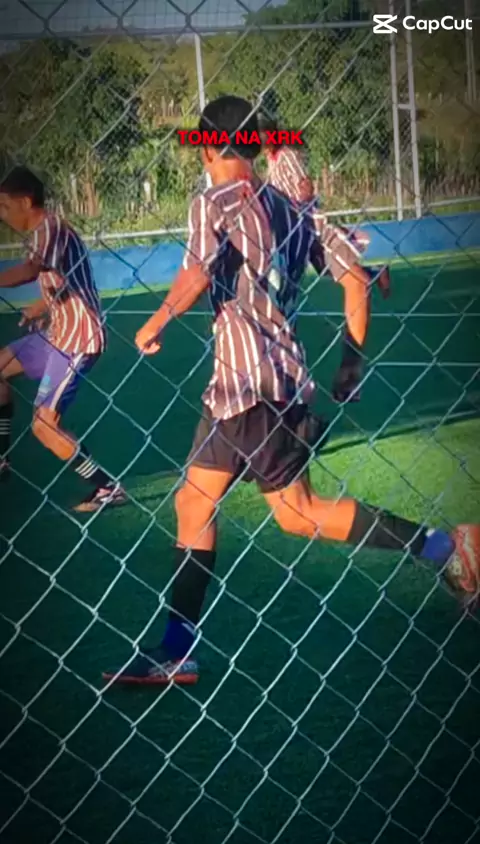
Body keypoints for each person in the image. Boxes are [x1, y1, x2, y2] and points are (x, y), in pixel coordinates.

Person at [103, 96, 479, 687]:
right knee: (244, 508)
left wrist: (157, 321)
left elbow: (197, 271)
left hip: (245, 386)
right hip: (271, 386)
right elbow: (354, 280)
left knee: (278, 511)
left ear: (211, 146)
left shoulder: (213, 201)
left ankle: (446, 547)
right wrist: (350, 363)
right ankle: (448, 548)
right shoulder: (291, 209)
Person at [0, 166, 126, 511]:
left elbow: (30, 271)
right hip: (56, 334)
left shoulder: (51, 227)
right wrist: (42, 305)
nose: (2, 215)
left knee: (44, 425)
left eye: (5, 206)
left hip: (77, 341)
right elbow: (67, 278)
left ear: (26, 201)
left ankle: (107, 487)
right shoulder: (42, 234)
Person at [258, 113, 391, 314]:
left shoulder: (287, 154)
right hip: (290, 223)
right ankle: (374, 273)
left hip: (305, 221)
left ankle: (284, 312)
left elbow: (305, 184)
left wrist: (300, 203)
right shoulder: (271, 159)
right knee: (323, 267)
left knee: (319, 265)